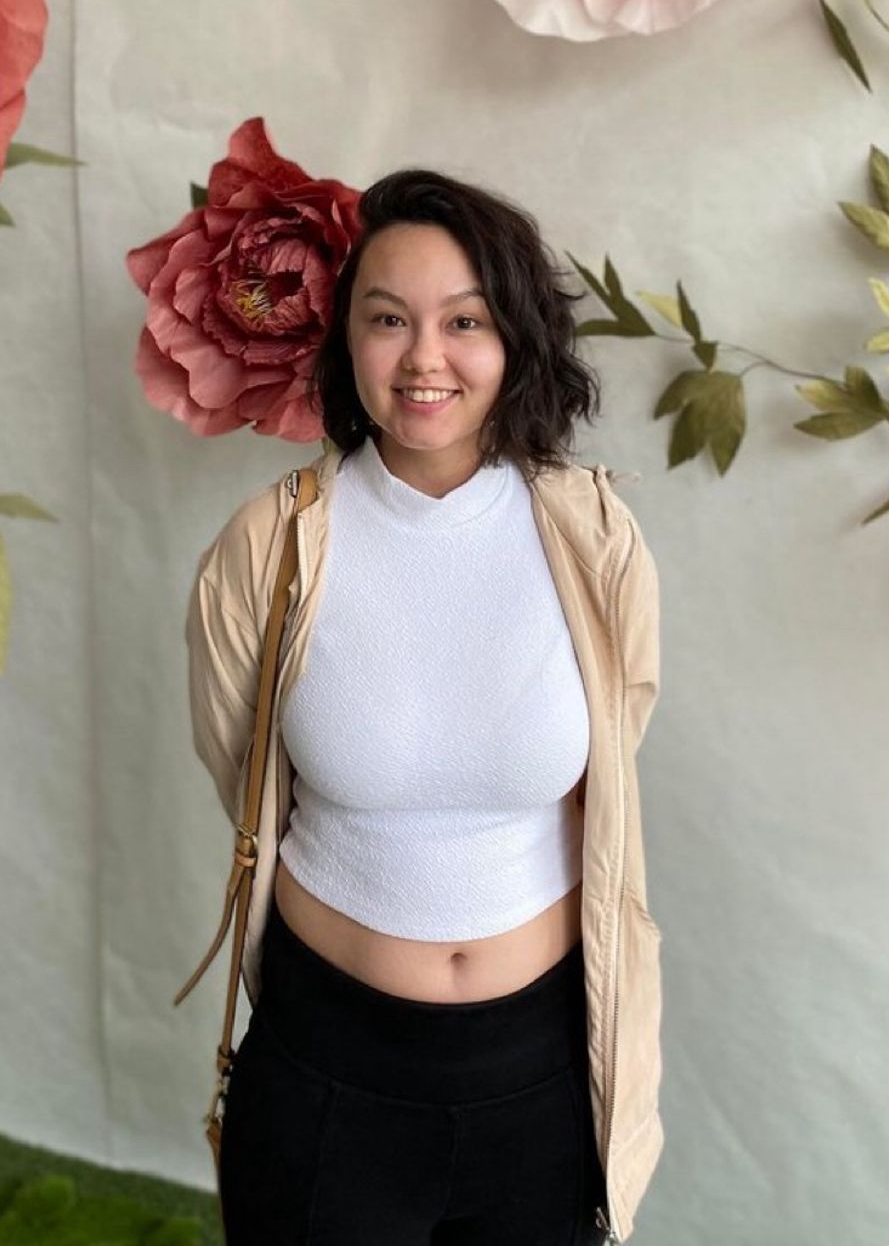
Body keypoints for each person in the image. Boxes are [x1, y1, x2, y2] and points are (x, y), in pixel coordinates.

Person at [182, 168, 663, 1245]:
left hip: (537, 1079)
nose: (425, 357)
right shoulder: (270, 547)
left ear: (516, 340)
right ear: (347, 337)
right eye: (389, 318)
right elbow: (241, 763)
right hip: (325, 1071)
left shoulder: (594, 539)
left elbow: (612, 757)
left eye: (466, 321)